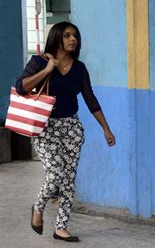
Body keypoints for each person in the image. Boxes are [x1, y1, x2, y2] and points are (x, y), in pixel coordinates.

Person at [15, 21, 116, 242]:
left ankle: (61, 227)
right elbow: (22, 87)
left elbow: (90, 100)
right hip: (45, 127)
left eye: (75, 36)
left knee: (69, 179)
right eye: (67, 35)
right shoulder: (40, 61)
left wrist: (106, 129)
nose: (73, 40)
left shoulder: (79, 68)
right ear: (57, 38)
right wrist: (48, 70)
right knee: (55, 174)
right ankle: (38, 207)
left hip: (71, 127)